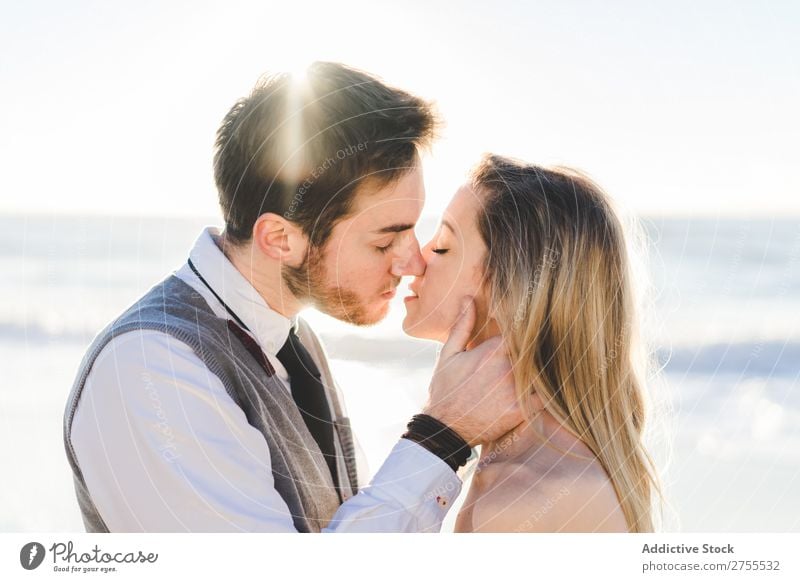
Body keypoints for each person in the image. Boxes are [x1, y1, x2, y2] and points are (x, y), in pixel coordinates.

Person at [63, 63, 520, 532]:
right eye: (384, 242)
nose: (412, 262)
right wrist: (441, 434)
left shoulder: (294, 342)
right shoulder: (148, 370)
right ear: (280, 238)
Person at [403, 154, 662, 532]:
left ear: (510, 290)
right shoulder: (540, 465)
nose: (416, 259)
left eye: (443, 246)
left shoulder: (521, 501)